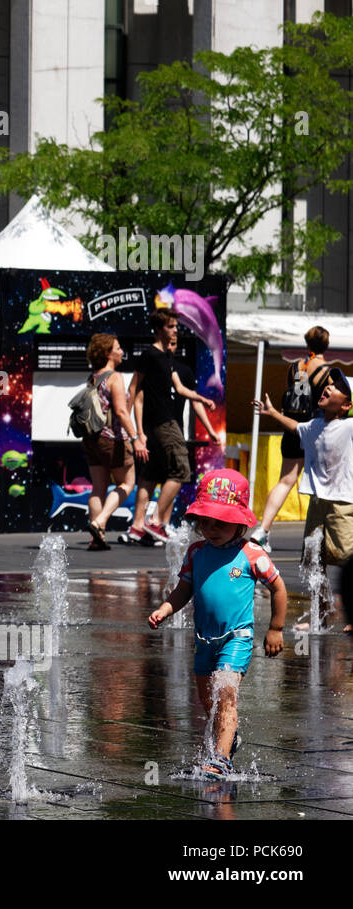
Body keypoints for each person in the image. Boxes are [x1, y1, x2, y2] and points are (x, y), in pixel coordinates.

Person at [148, 469, 286, 779]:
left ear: (240, 521)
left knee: (225, 693)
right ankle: (228, 737)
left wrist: (275, 628)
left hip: (237, 637)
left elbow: (278, 587)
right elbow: (184, 589)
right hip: (203, 640)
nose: (211, 529)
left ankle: (221, 760)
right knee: (206, 699)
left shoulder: (251, 553)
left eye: (220, 523)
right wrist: (166, 608)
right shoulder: (196, 552)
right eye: (205, 522)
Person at [253, 367, 353, 631]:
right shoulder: (316, 425)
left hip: (344, 503)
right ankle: (319, 617)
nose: (328, 387)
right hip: (318, 503)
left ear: (346, 405)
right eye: (329, 384)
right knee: (314, 558)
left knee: (346, 554)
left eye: (337, 388)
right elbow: (296, 427)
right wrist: (273, 413)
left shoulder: (350, 427)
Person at [123, 308, 216, 547]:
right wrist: (136, 432)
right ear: (159, 329)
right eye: (170, 327)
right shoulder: (150, 355)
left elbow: (180, 387)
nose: (175, 330)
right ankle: (154, 522)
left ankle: (142, 526)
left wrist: (201, 399)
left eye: (176, 326)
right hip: (161, 423)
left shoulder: (167, 358)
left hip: (163, 423)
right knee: (181, 470)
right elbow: (134, 391)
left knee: (153, 474)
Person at [250, 327, 333, 553]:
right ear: (326, 345)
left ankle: (262, 530)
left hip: (291, 428)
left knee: (285, 481)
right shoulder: (328, 372)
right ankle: (321, 537)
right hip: (316, 431)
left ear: (307, 344)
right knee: (322, 485)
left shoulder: (295, 367)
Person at [80, 333, 147, 550]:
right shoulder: (115, 377)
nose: (121, 352)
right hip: (113, 440)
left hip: (91, 439)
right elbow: (120, 410)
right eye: (117, 348)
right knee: (127, 484)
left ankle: (95, 538)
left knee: (98, 488)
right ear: (108, 353)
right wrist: (135, 438)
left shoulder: (93, 377)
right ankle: (99, 523)